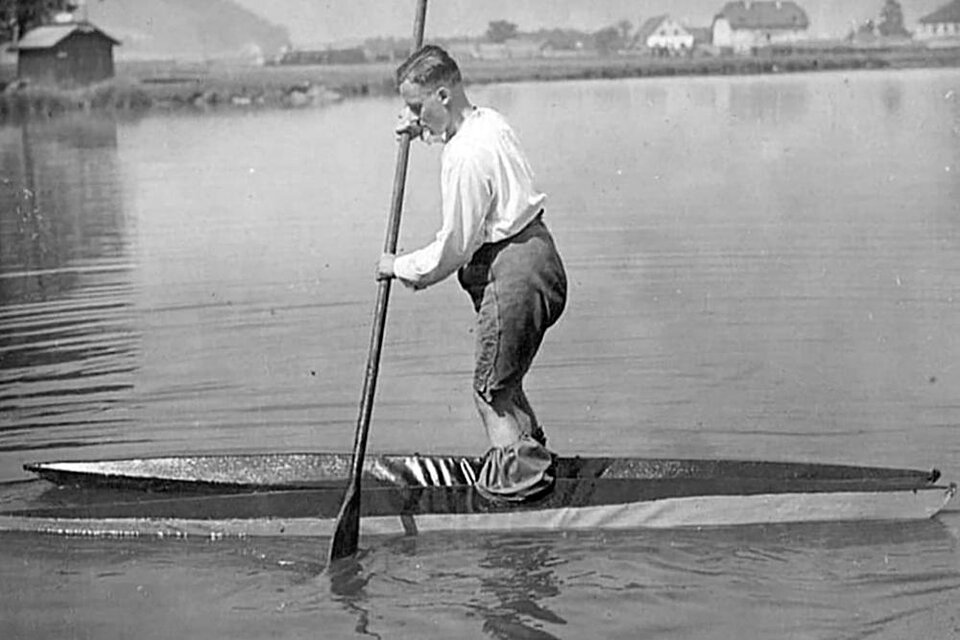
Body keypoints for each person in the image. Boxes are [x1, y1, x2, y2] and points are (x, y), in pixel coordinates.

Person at [376, 45, 567, 503]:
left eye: (417, 106)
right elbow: (457, 134)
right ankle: (536, 465)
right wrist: (422, 127)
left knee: (489, 391)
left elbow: (455, 247)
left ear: (443, 94)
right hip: (543, 258)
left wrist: (399, 267)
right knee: (506, 380)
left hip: (514, 274)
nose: (412, 114)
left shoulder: (462, 156)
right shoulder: (490, 121)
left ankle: (518, 498)